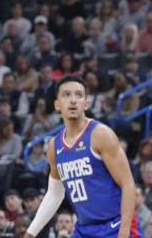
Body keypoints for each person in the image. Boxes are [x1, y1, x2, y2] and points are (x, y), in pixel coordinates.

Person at [24, 75, 137, 238]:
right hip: (83, 229)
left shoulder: (100, 134)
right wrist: (30, 233)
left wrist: (124, 232)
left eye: (78, 95)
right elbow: (55, 194)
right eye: (66, 95)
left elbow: (128, 184)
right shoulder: (54, 146)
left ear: (86, 103)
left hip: (114, 225)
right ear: (57, 104)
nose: (73, 100)